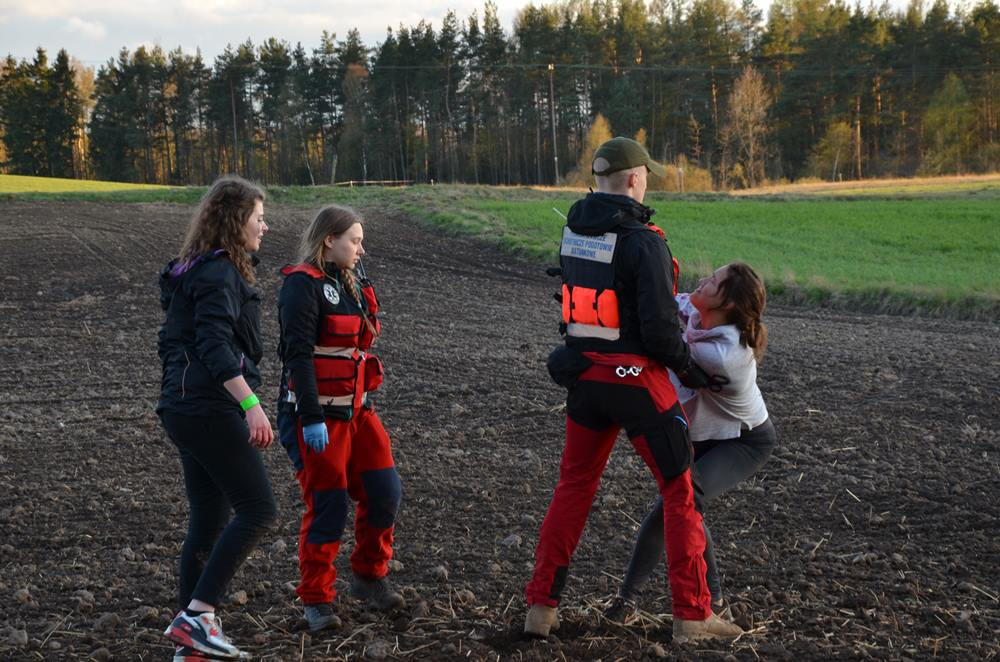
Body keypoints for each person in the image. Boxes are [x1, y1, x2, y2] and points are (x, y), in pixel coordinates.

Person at [524, 137, 742, 644]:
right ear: (635, 178)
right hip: (637, 381)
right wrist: (690, 371)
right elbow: (662, 333)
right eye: (646, 177)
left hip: (585, 380)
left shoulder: (574, 231)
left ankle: (540, 609)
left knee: (573, 487)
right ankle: (693, 616)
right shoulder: (645, 241)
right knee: (681, 490)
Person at [607, 262, 776, 622]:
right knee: (682, 505)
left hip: (743, 441)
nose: (702, 280)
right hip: (703, 433)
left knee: (680, 504)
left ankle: (642, 601)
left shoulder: (724, 356)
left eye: (713, 281)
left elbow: (661, 340)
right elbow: (666, 305)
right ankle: (685, 601)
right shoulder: (699, 314)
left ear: (727, 304)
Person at [157, 175, 277, 661]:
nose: (264, 227)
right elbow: (213, 345)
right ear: (235, 219)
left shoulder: (195, 268)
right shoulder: (220, 272)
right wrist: (250, 404)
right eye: (258, 218)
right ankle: (198, 615)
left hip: (182, 407)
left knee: (209, 520)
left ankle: (192, 645)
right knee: (259, 510)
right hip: (208, 406)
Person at [276, 205, 404, 633]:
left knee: (384, 491)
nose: (361, 249)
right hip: (315, 415)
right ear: (329, 240)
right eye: (355, 240)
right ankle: (317, 599)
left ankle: (369, 577)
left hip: (357, 411)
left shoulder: (352, 284)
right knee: (328, 505)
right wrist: (311, 416)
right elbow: (298, 356)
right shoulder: (302, 285)